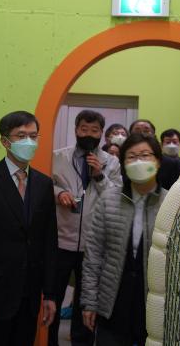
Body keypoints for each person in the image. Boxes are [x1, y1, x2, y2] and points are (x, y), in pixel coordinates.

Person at [0, 111, 59, 345]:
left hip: (30, 295)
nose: (29, 142)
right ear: (5, 141)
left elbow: (49, 241)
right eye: (21, 136)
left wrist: (50, 294)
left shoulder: (44, 184)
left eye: (33, 136)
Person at [81, 133, 168, 346]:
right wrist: (89, 302)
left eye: (145, 155)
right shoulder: (108, 199)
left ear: (158, 161)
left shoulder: (171, 203)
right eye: (131, 157)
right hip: (113, 302)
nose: (139, 162)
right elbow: (93, 255)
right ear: (123, 164)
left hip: (154, 305)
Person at [50, 110, 122, 346]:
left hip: (93, 245)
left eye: (94, 130)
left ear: (102, 133)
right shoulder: (57, 157)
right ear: (76, 130)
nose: (89, 134)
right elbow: (44, 185)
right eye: (84, 129)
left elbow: (117, 197)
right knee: (52, 297)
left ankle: (81, 342)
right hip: (60, 240)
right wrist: (59, 193)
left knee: (86, 302)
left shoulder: (112, 162)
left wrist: (99, 175)